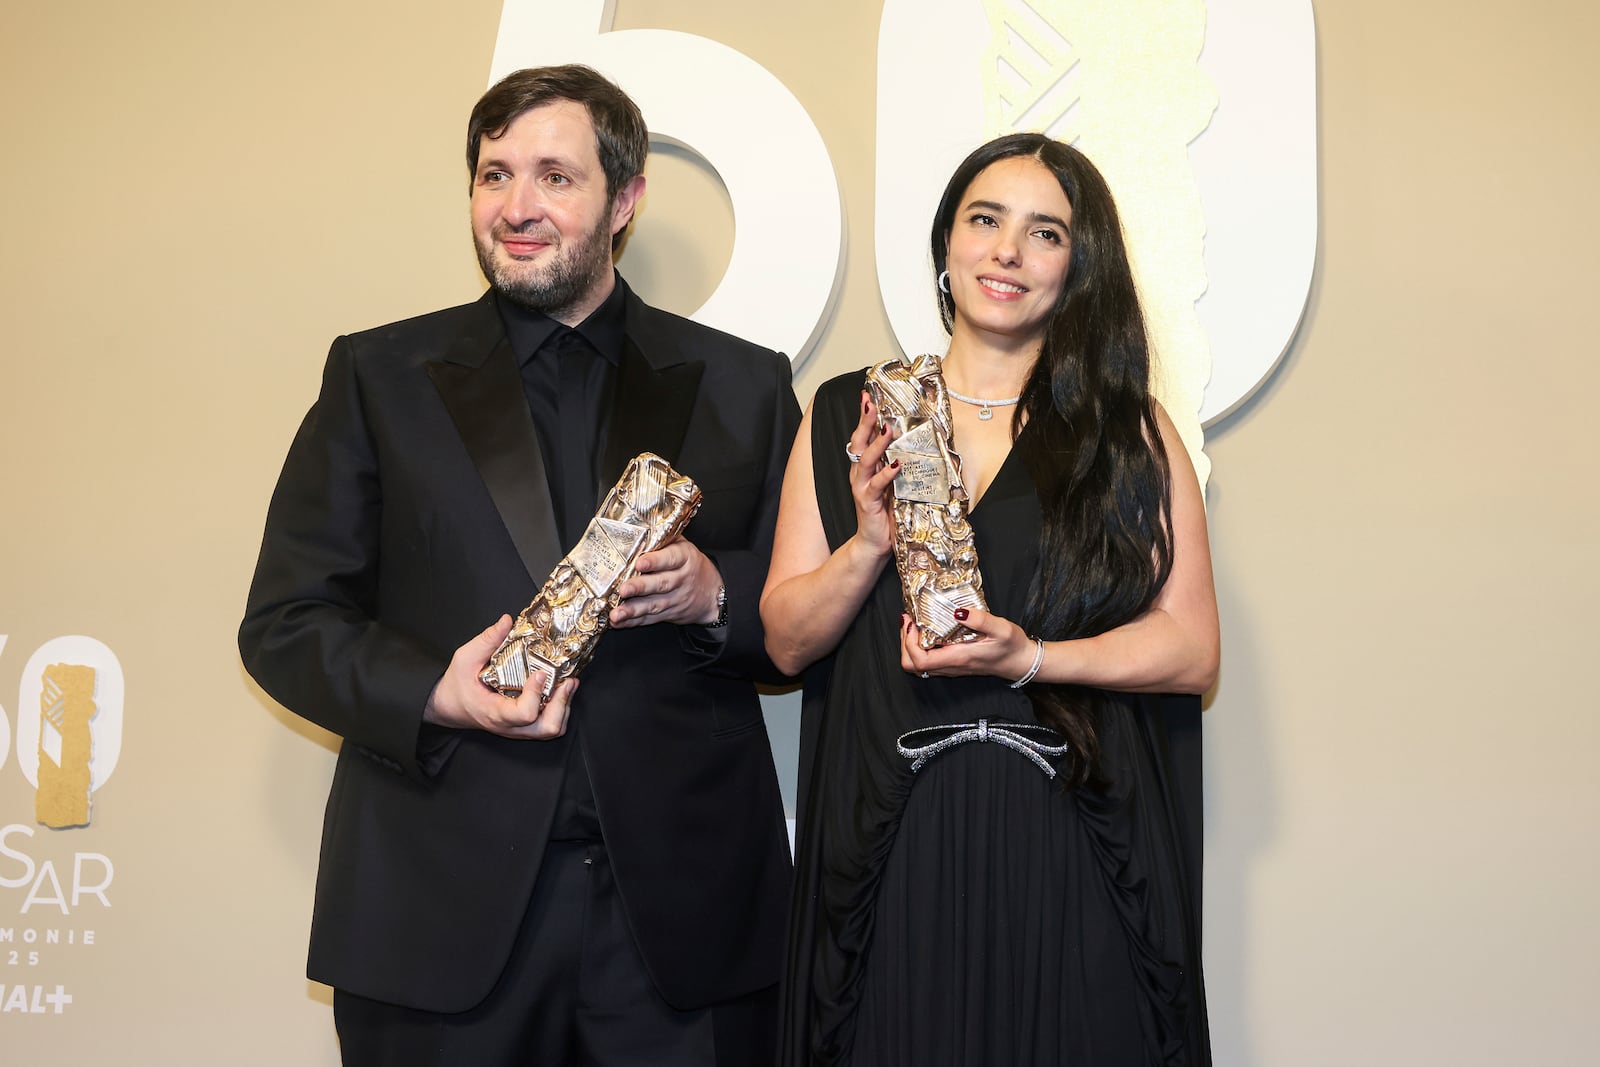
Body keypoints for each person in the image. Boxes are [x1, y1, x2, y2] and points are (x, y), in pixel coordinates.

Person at [239, 65, 798, 1066]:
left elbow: (804, 624)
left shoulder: (743, 385)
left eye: (553, 175)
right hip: (435, 922)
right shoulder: (378, 376)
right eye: (493, 175)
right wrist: (435, 691)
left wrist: (715, 595)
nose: (516, 207)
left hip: (681, 932)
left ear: (624, 201)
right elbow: (286, 622)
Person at [763, 133, 1220, 1065]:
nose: (1007, 250)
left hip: (1073, 836)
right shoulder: (851, 411)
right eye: (985, 220)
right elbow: (784, 640)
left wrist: (1036, 659)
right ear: (946, 247)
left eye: (1044, 232)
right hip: (893, 847)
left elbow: (1192, 648)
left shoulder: (1128, 431)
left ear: (1076, 267)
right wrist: (872, 541)